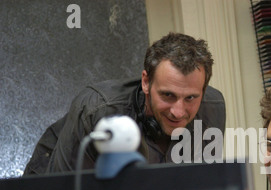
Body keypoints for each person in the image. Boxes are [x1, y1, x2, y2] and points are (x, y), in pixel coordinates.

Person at [23, 32, 225, 175]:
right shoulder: (98, 109)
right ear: (146, 82)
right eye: (168, 95)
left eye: (190, 98)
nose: (178, 112)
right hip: (51, 189)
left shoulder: (212, 110)